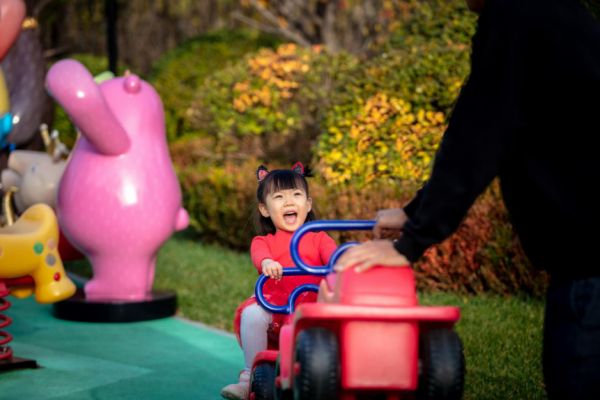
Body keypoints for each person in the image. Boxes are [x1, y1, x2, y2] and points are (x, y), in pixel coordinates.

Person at [335, 0, 600, 398]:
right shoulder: (559, 13)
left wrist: (411, 242)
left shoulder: (517, 16)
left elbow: (478, 136)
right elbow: (494, 132)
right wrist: (415, 213)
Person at [221, 162, 337, 400]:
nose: (289, 202)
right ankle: (248, 378)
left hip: (312, 306)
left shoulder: (319, 238)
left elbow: (335, 257)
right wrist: (267, 263)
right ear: (264, 209)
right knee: (252, 314)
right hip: (277, 306)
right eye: (279, 197)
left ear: (308, 204)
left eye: (296, 194)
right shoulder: (264, 242)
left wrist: (342, 261)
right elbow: (259, 256)